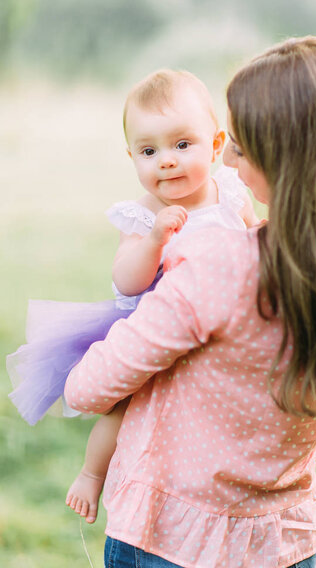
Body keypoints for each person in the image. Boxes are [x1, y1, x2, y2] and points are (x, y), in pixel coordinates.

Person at [64, 35, 316, 568]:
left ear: (282, 156)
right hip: (283, 540)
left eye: (240, 147)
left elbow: (85, 388)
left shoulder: (219, 267)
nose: (230, 160)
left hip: (171, 536)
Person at [7, 69, 259, 522]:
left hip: (225, 322)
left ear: (217, 144)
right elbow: (125, 281)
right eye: (149, 151)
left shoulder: (231, 192)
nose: (166, 160)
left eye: (182, 145)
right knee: (126, 406)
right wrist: (154, 243)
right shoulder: (144, 214)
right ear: (132, 157)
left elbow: (252, 236)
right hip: (153, 319)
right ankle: (91, 473)